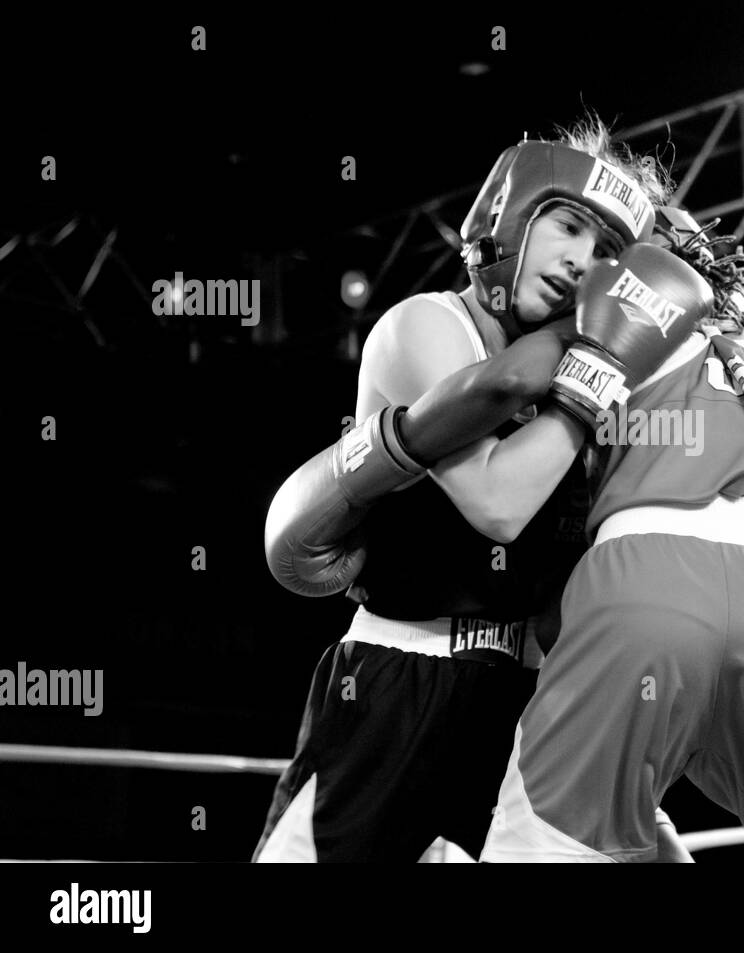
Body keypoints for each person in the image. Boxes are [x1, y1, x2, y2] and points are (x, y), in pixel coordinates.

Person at [254, 118, 692, 861]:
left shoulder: (589, 365)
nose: (580, 261)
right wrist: (597, 365)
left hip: (530, 700)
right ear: (507, 215)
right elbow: (498, 504)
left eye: (608, 252)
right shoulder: (422, 326)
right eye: (569, 225)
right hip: (399, 685)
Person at [429, 207, 744, 861]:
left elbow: (504, 380)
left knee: (549, 843)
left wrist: (400, 440)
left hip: (645, 579)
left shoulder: (623, 316)